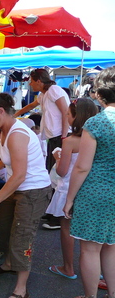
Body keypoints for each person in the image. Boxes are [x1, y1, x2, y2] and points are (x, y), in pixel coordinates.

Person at [0, 93, 52, 298]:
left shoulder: (17, 133)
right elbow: (9, 158)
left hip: (33, 191)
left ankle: (21, 289)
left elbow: (19, 174)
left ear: (1, 111)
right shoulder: (6, 130)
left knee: (22, 236)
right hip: (16, 189)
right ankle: (9, 263)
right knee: (5, 226)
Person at [63, 67, 115, 298]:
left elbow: (82, 167)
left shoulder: (96, 123)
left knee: (90, 248)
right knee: (112, 246)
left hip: (96, 192)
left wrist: (69, 199)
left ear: (100, 94)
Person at [46, 99, 98, 280]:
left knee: (67, 228)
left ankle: (68, 267)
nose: (66, 117)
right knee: (92, 235)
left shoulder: (70, 141)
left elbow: (62, 171)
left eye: (68, 114)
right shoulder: (99, 138)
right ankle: (98, 271)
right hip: (92, 188)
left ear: (76, 117)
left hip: (69, 189)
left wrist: (57, 157)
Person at [15, 68, 71, 172]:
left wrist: (64, 136)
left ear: (39, 81)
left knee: (56, 169)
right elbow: (31, 106)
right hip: (54, 137)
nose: (30, 84)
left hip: (60, 136)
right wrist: (15, 115)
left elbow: (65, 112)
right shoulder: (43, 94)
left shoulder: (54, 90)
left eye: (31, 81)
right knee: (51, 167)